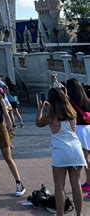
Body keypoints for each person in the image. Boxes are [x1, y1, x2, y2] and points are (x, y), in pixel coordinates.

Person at [36, 87, 86, 216]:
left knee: (59, 186)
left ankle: (60, 214)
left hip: (60, 151)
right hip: (76, 149)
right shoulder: (72, 113)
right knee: (76, 184)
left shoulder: (51, 116)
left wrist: (41, 108)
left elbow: (38, 123)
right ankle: (79, 214)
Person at [65, 78, 90, 193]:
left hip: (80, 130)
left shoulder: (70, 101)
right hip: (88, 128)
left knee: (86, 159)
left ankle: (89, 183)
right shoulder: (86, 99)